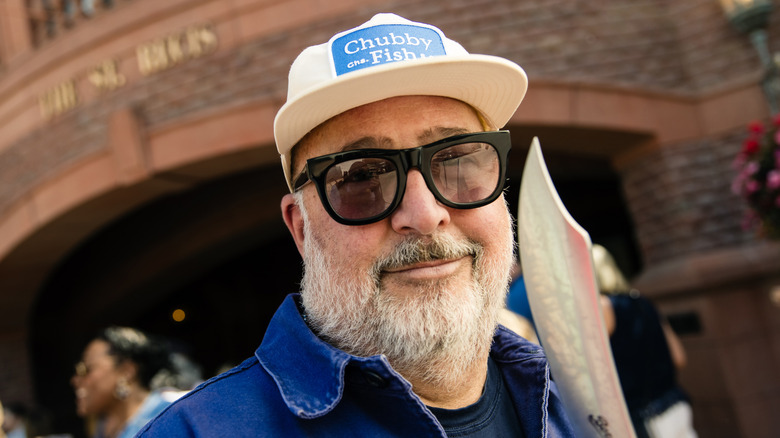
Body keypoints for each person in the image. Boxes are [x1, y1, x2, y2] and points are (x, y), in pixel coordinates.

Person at [138, 13, 575, 437]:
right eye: (361, 178)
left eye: (456, 161)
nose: (425, 215)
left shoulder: (581, 407)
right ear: (301, 229)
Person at [594, 244, 697, 438]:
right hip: (675, 405)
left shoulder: (601, 308)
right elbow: (679, 358)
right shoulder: (642, 302)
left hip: (643, 418)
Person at [71, 326, 179, 438]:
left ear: (126, 371)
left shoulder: (167, 419)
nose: (75, 380)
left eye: (87, 369)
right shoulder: (102, 425)